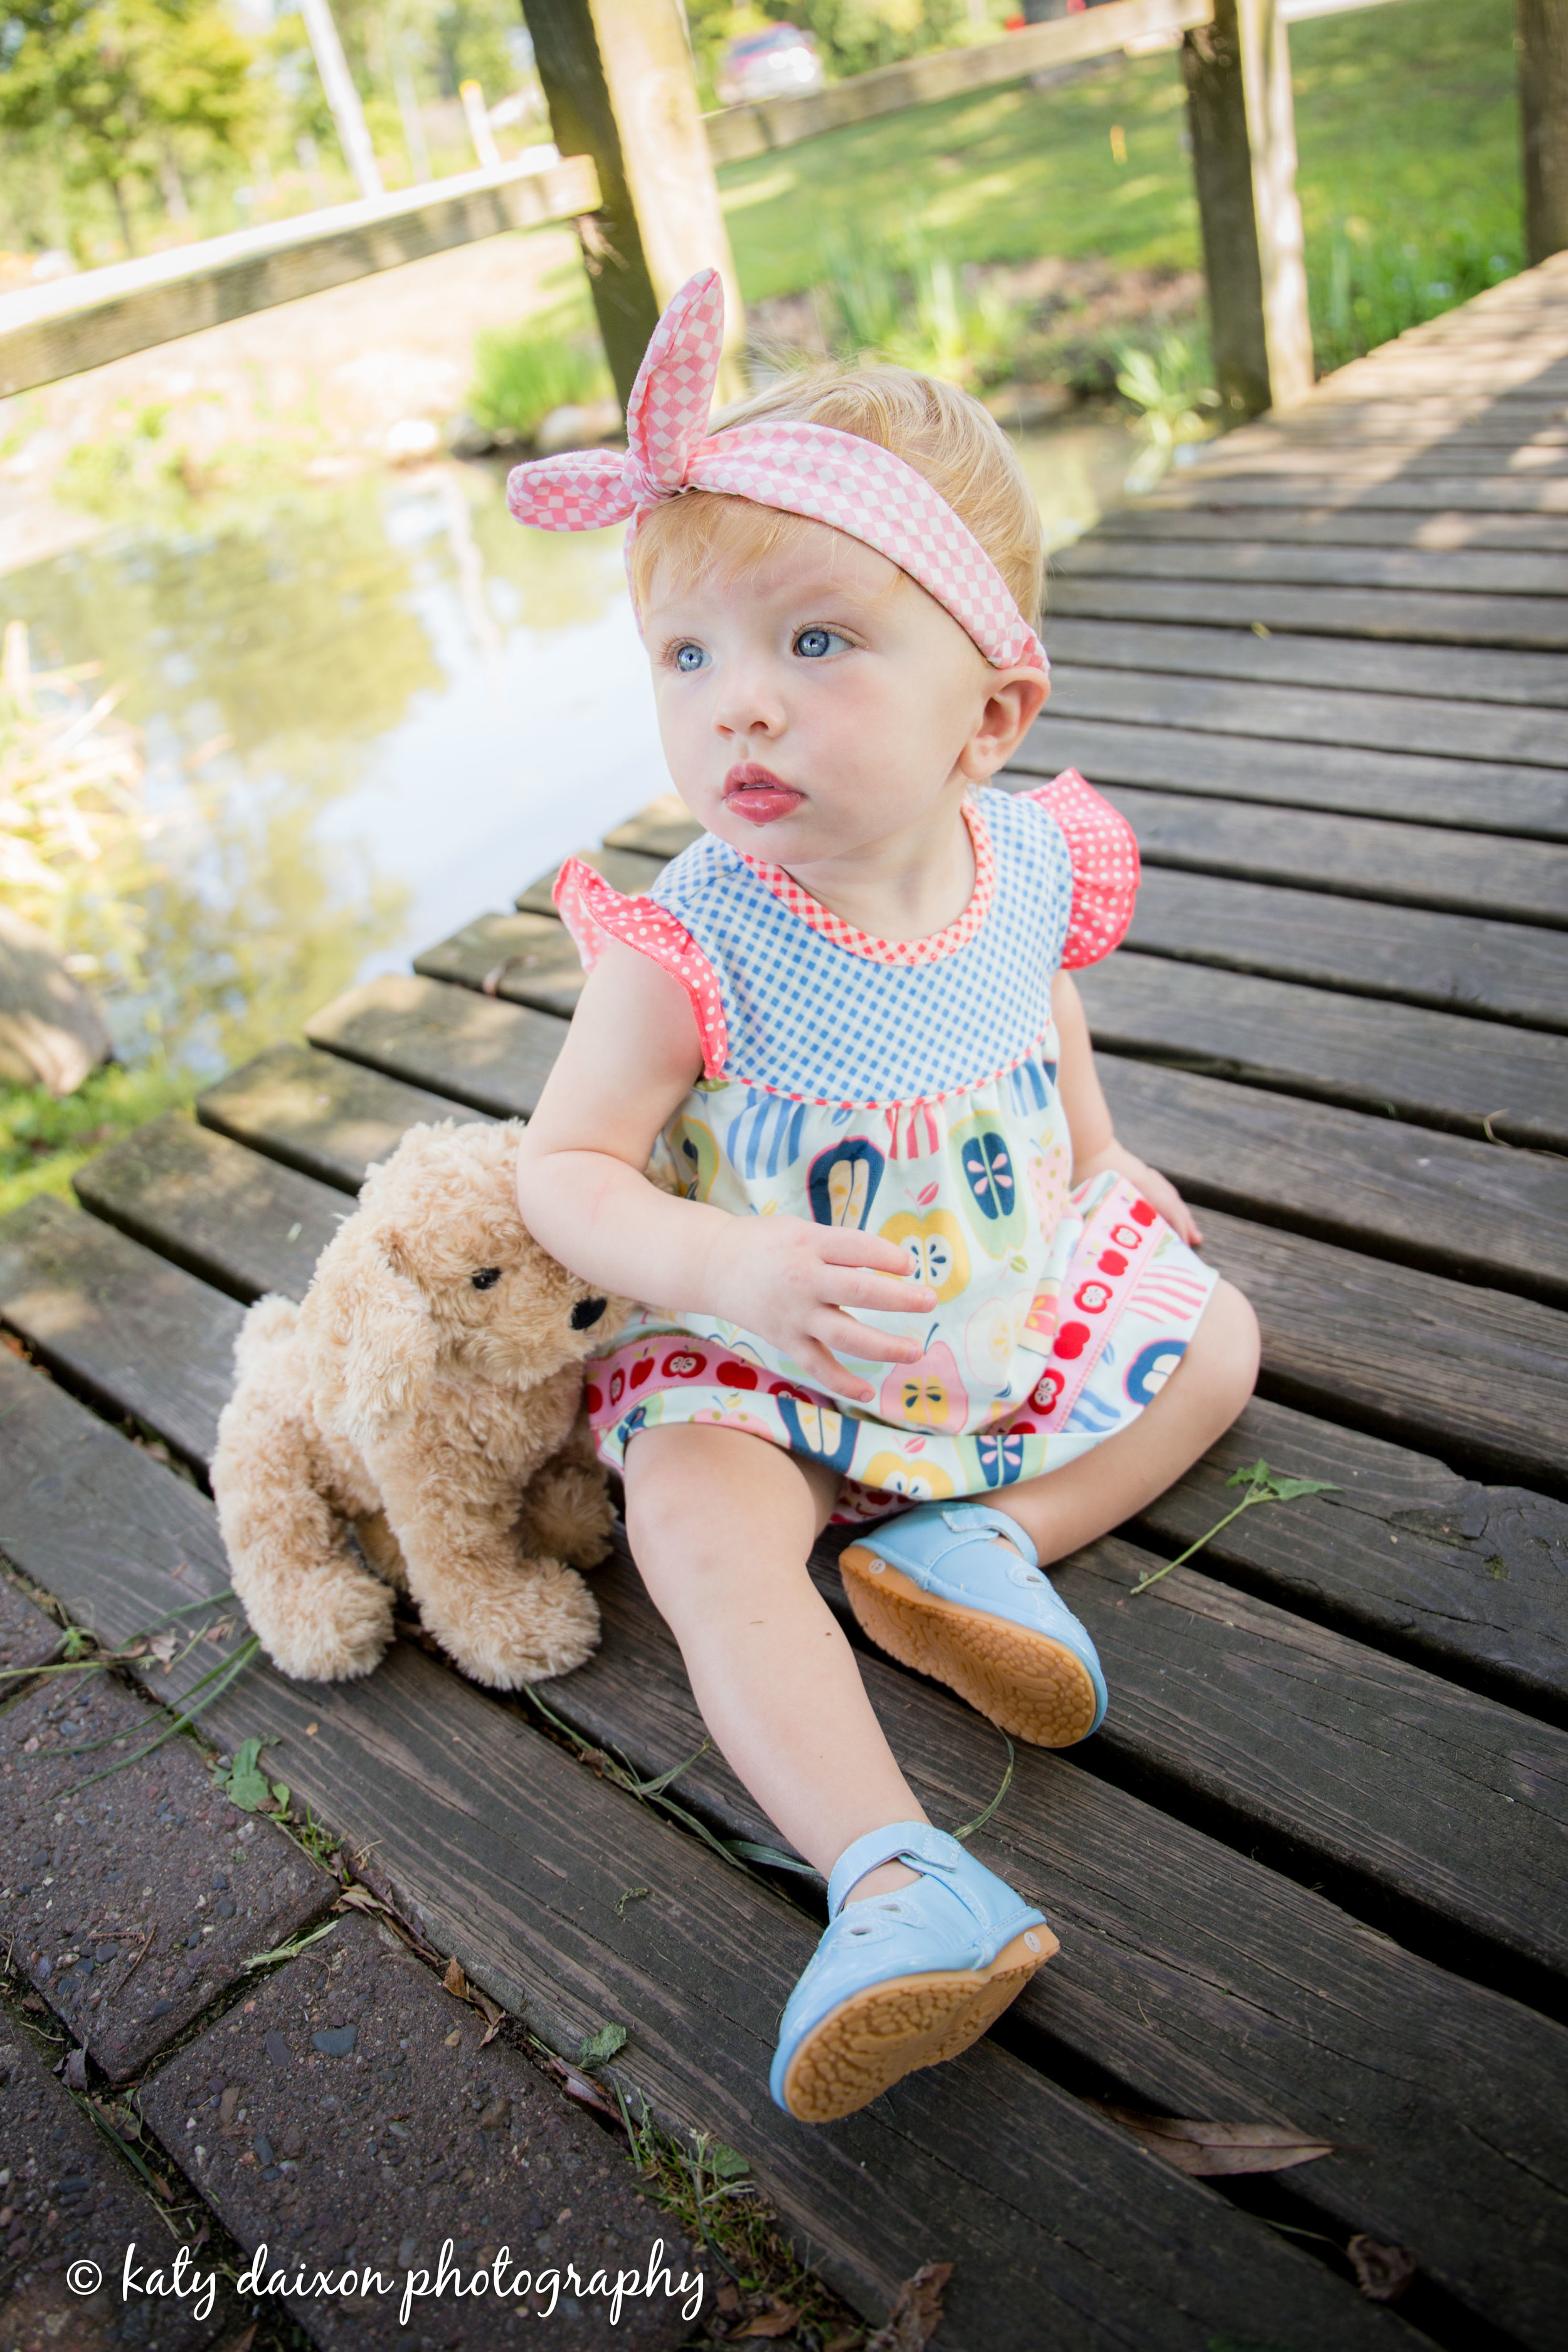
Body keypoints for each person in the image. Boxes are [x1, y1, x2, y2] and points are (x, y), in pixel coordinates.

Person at [509, 270, 1259, 2126]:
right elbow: (564, 1169)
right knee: (692, 1516)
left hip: (985, 1306)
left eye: (816, 644)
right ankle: (896, 1878)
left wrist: (1097, 1161)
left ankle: (984, 1544)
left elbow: (1046, 1006)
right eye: (687, 661)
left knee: (1219, 1332)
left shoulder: (1024, 862)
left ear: (986, 711)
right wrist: (726, 1264)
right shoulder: (684, 944)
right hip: (778, 1346)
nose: (736, 710)